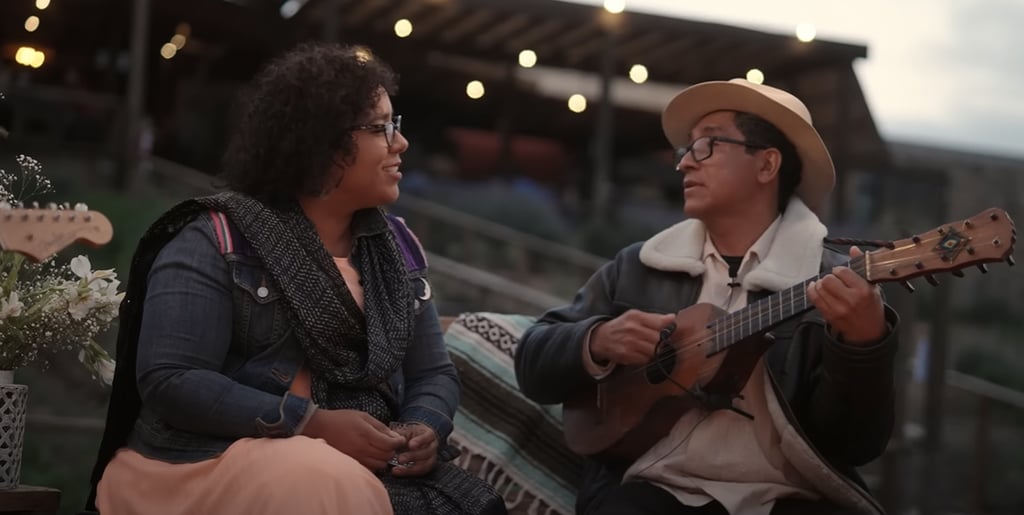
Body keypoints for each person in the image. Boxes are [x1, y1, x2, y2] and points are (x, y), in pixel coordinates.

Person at [85, 43, 505, 515]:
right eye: (381, 127)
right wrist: (310, 423)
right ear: (322, 144)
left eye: (397, 124)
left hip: (355, 463)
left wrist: (423, 429)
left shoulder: (398, 248)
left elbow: (432, 373)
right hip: (207, 460)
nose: (400, 143)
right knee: (318, 478)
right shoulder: (216, 238)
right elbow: (171, 379)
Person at [514, 79, 899, 515]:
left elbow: (853, 444)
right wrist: (595, 341)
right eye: (686, 150)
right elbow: (531, 362)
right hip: (648, 487)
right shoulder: (640, 265)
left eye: (707, 145)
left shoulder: (834, 282)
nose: (683, 165)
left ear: (767, 164)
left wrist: (863, 346)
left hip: (789, 498)